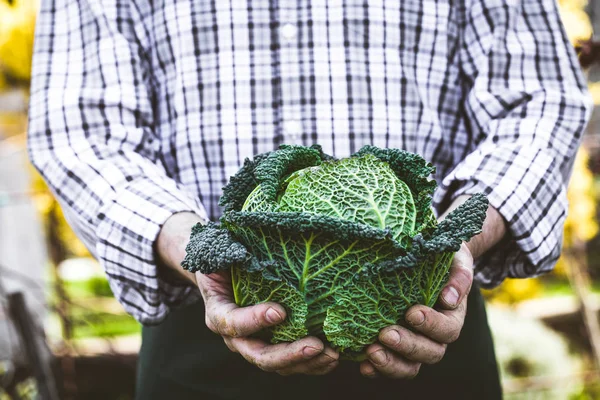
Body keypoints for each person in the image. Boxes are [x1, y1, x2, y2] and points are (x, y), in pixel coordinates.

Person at [28, 0, 591, 399]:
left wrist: (455, 244)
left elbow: (540, 100)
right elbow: (81, 131)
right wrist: (198, 248)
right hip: (203, 323)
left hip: (431, 316)